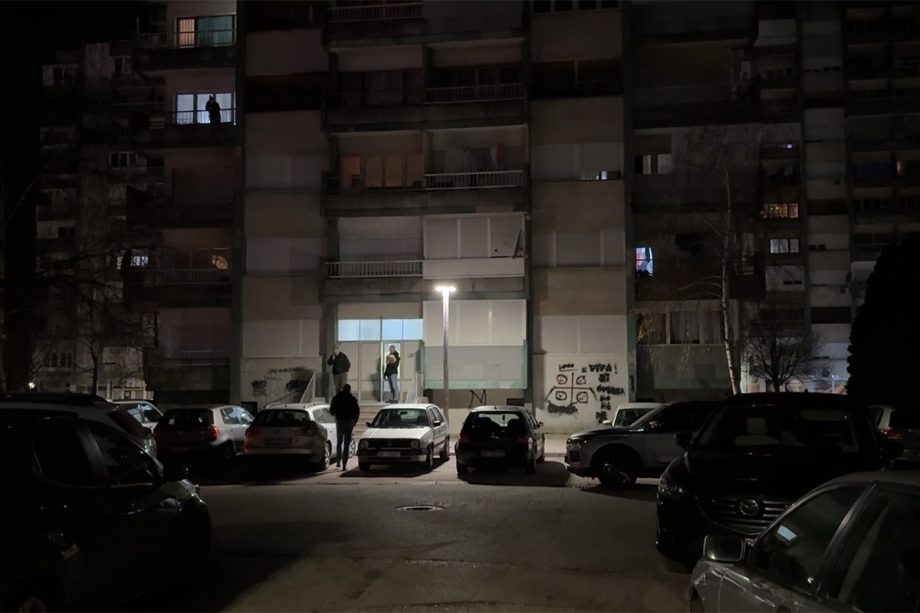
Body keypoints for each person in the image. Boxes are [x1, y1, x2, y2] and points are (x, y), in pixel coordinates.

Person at [329, 383, 360, 470]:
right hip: (349, 421)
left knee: (339, 442)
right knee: (346, 443)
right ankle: (344, 465)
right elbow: (357, 411)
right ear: (349, 390)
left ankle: (338, 462)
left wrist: (336, 414)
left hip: (340, 420)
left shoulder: (337, 398)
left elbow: (331, 410)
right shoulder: (352, 399)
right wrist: (355, 421)